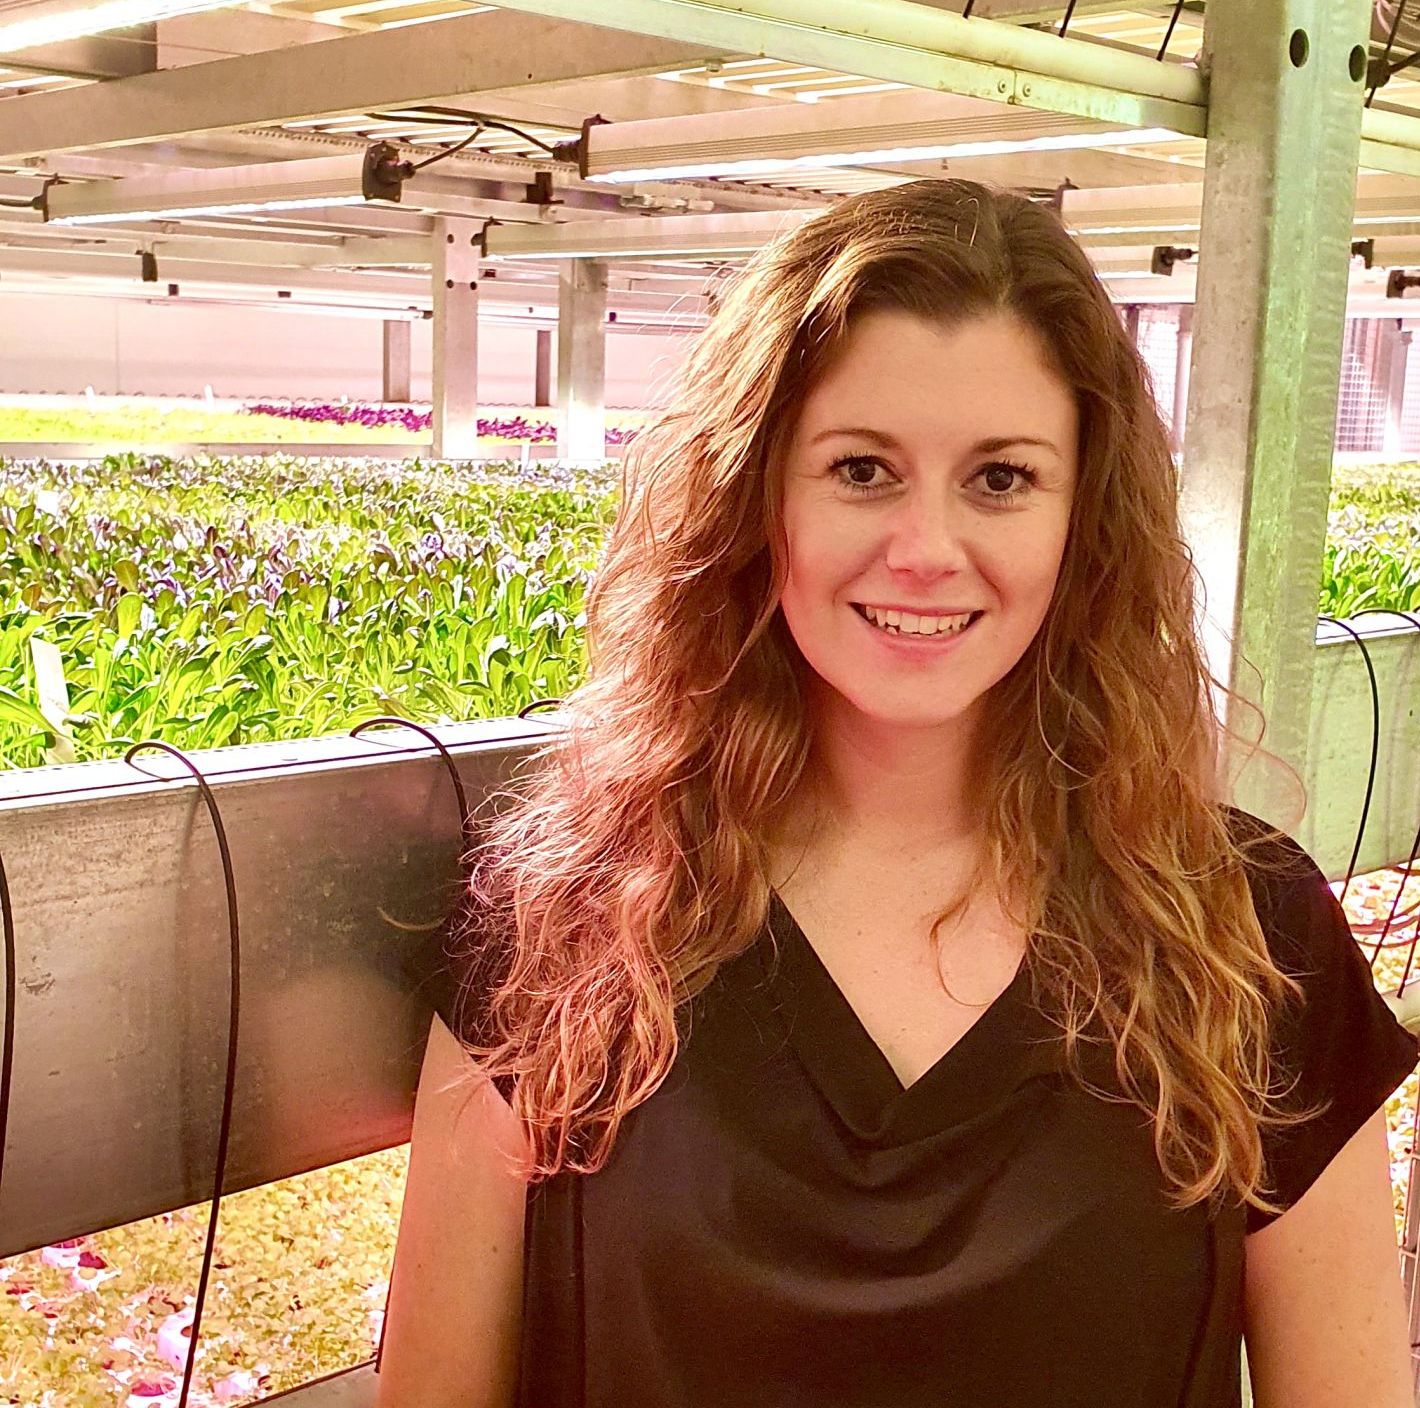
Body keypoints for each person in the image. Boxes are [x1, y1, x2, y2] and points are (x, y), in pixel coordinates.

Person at [381, 178, 1419, 1408]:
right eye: (862, 468)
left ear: (1084, 515)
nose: (926, 548)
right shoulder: (561, 906)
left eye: (1000, 478)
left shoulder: (1249, 930)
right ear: (756, 496)